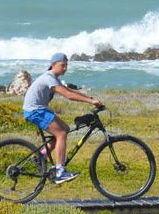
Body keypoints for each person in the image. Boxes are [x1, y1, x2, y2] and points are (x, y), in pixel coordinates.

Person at [22, 52, 102, 184]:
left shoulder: (53, 78)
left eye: (66, 65)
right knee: (61, 134)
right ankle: (60, 172)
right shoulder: (49, 77)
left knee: (65, 128)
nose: (65, 68)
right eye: (62, 65)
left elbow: (69, 90)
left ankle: (41, 156)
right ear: (53, 65)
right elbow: (68, 95)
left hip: (38, 110)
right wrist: (90, 102)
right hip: (35, 111)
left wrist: (89, 98)